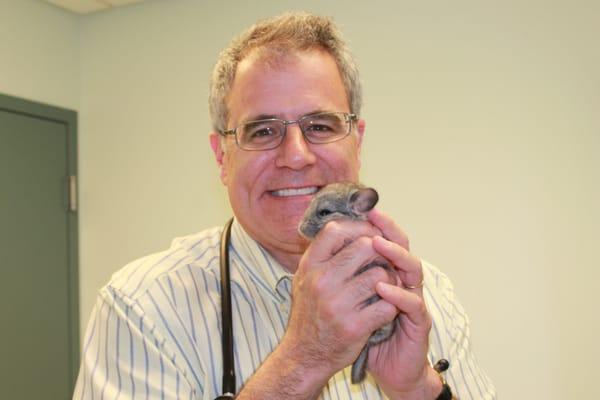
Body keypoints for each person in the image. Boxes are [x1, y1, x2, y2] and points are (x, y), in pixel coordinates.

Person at [73, 12, 496, 400]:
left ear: (358, 141)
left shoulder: (428, 296)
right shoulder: (142, 312)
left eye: (320, 125)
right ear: (222, 157)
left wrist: (418, 387)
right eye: (262, 131)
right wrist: (304, 359)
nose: (296, 155)